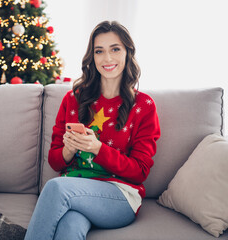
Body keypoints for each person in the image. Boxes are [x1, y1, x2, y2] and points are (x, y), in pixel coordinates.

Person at [24, 21, 161, 240]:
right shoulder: (74, 99)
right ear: (92, 57)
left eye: (115, 49)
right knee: (70, 226)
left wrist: (98, 149)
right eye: (99, 51)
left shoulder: (143, 106)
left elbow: (140, 171)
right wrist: (68, 150)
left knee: (56, 188)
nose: (107, 58)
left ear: (128, 53)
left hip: (119, 195)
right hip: (76, 191)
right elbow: (55, 161)